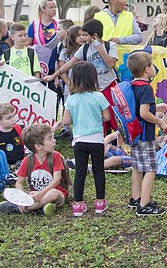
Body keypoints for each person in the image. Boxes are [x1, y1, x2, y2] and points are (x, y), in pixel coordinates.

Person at [56, 61, 110, 216]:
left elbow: (66, 121)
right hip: (96, 139)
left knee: (80, 171)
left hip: (79, 140)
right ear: (93, 78)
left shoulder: (72, 99)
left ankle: (78, 204)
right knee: (98, 170)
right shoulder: (98, 96)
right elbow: (106, 117)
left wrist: (77, 118)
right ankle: (100, 202)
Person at [47, 19, 117, 134]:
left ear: (94, 36)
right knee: (98, 117)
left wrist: (100, 49)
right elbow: (69, 64)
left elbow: (111, 64)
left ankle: (116, 141)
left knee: (112, 117)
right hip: (94, 89)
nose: (83, 38)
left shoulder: (110, 46)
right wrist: (54, 75)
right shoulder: (85, 48)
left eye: (85, 35)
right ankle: (100, 138)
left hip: (109, 86)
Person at [126, 51, 167, 216]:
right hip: (144, 135)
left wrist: (155, 108)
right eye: (151, 65)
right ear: (147, 70)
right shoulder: (147, 88)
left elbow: (138, 108)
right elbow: (144, 113)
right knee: (150, 168)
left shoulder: (132, 85)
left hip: (134, 134)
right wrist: (160, 121)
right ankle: (144, 205)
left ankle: (136, 198)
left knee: (137, 167)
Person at [0, 123, 66, 216]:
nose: (54, 141)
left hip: (54, 193)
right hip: (35, 196)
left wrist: (41, 194)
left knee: (53, 194)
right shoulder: (27, 160)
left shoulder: (56, 156)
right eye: (50, 138)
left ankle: (24, 208)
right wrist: (22, 198)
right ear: (38, 146)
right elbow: (19, 182)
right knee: (7, 193)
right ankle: (40, 208)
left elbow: (57, 180)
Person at [28, 0, 60, 74]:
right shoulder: (34, 25)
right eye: (51, 7)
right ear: (43, 9)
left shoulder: (58, 24)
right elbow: (28, 43)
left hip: (55, 62)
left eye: (55, 7)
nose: (54, 9)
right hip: (40, 62)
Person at [0, 102, 24, 169]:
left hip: (19, 163)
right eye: (9, 118)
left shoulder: (19, 129)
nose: (13, 120)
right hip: (2, 165)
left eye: (13, 116)